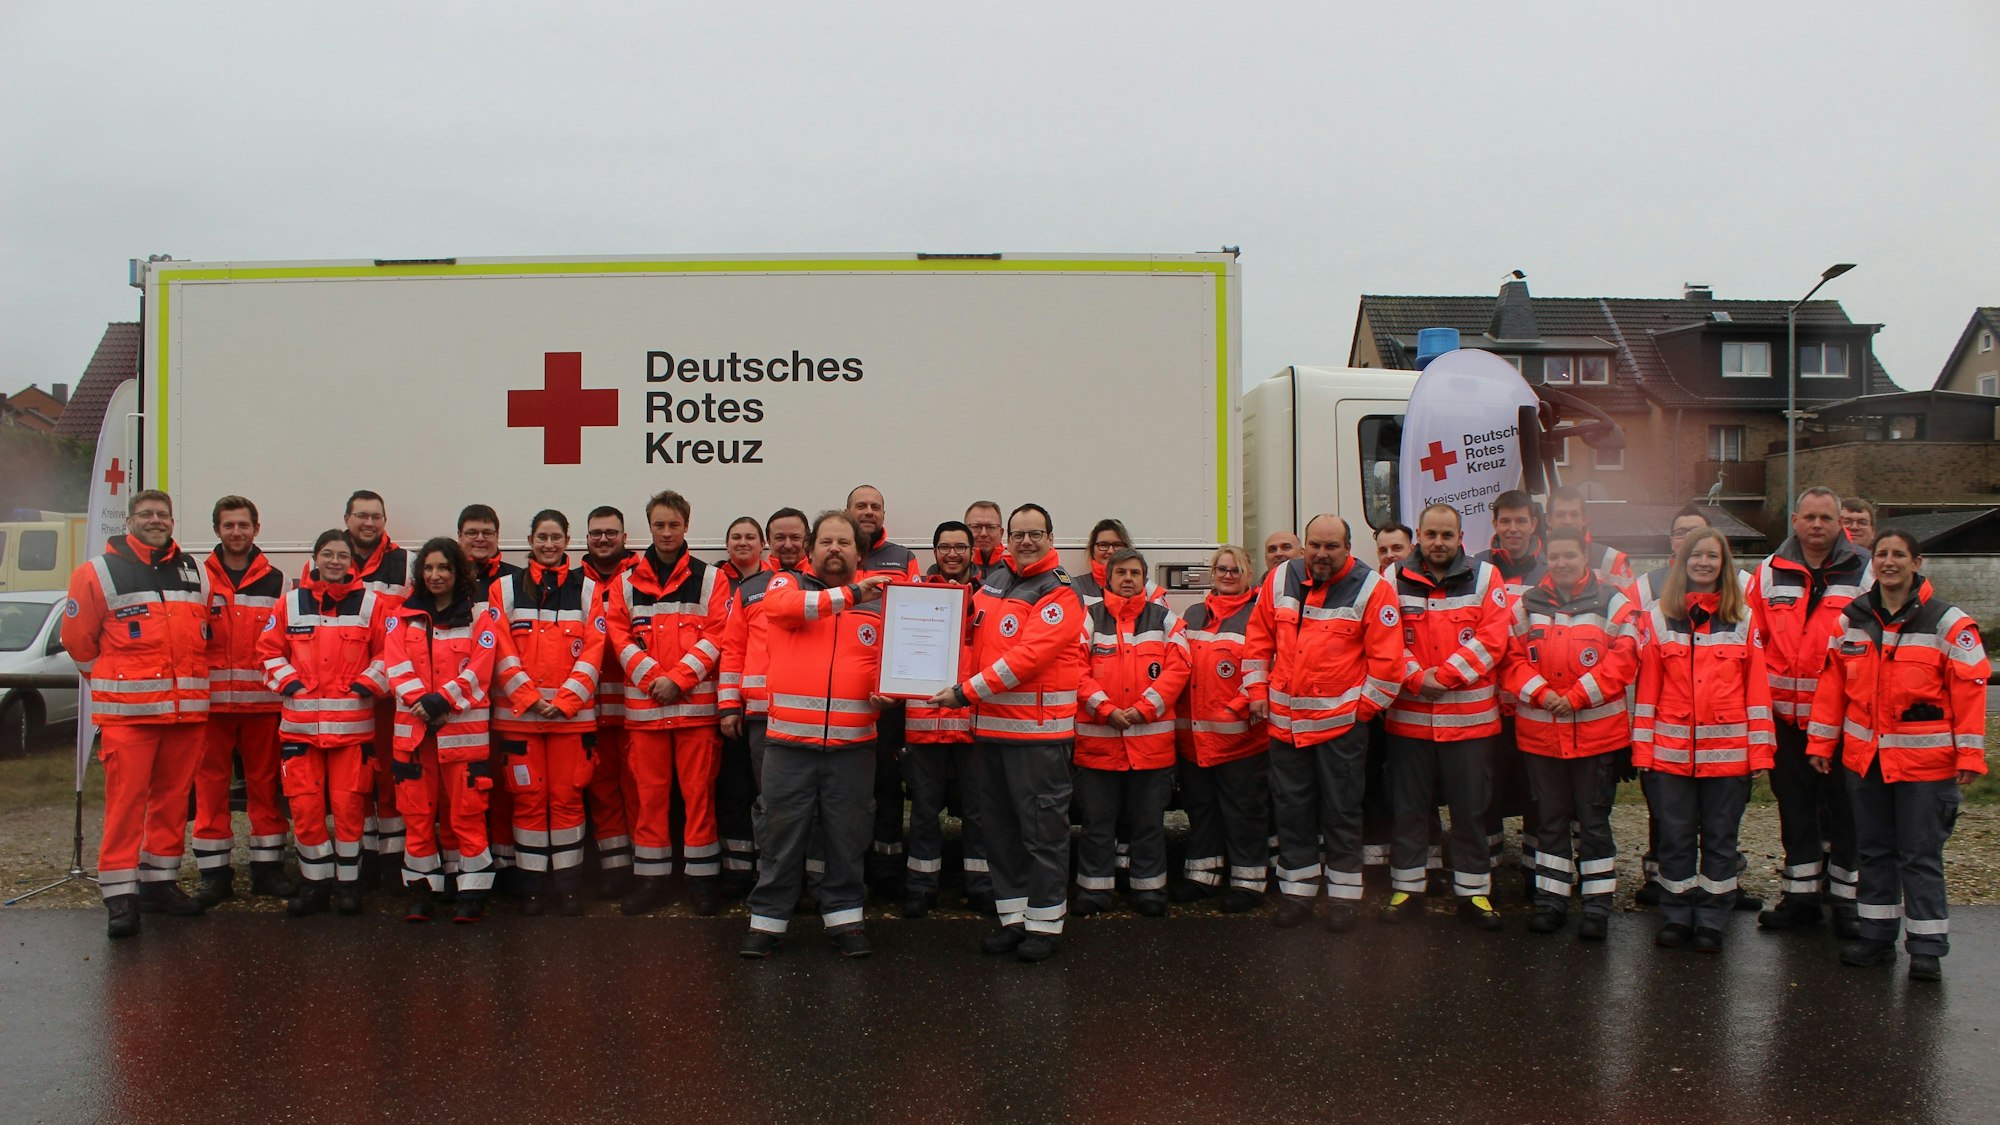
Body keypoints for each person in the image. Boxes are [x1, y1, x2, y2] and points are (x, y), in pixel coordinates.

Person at [1807, 529, 1987, 982]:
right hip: (1865, 763)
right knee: (1874, 852)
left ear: (1916, 563)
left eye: (1898, 555)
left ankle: (1926, 948)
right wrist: (1821, 745)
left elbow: (1969, 692)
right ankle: (1876, 937)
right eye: (1882, 553)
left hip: (1925, 768)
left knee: (1920, 856)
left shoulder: (1948, 623)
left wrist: (1969, 755)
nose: (1889, 561)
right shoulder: (1852, 620)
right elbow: (1832, 688)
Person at [927, 502, 1085, 963]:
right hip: (992, 734)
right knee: (999, 833)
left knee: (1041, 833)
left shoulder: (1059, 593)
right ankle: (1013, 918)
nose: (1026, 541)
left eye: (1036, 534)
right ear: (1005, 539)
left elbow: (1027, 659)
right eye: (1018, 534)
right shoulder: (994, 580)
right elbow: (967, 639)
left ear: (1051, 538)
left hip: (1037, 737)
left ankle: (1045, 923)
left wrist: (964, 692)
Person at [62, 489, 213, 938]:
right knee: (126, 805)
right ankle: (120, 897)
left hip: (186, 715)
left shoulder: (194, 571)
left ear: (171, 521)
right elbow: (78, 642)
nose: (155, 520)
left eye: (162, 514)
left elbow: (205, 633)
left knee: (171, 804)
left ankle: (159, 885)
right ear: (129, 521)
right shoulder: (97, 573)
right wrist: (115, 682)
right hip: (129, 717)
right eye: (146, 513)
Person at [739, 511, 889, 959]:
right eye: (826, 541)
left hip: (853, 747)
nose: (834, 550)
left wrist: (892, 692)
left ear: (859, 553)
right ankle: (767, 921)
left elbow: (892, 661)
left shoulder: (882, 603)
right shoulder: (786, 585)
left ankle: (845, 919)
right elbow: (782, 612)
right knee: (779, 835)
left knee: (848, 834)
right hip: (788, 745)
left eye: (845, 543)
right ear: (810, 549)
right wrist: (850, 594)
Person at [1244, 515, 1403, 931]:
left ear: (1348, 548)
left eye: (1331, 547)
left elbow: (1387, 665)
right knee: (1292, 810)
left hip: (1340, 728)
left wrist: (1360, 713)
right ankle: (1297, 894)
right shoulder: (1280, 580)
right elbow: (1258, 641)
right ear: (1304, 545)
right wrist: (1257, 694)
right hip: (1286, 725)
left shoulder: (1372, 588)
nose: (1321, 554)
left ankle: (1344, 898)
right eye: (1314, 545)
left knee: (1342, 812)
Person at [1632, 527, 1774, 953]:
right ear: (1683, 562)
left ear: (1724, 565)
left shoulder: (1744, 619)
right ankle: (1676, 914)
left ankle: (1712, 918)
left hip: (1729, 759)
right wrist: (1643, 750)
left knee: (1720, 838)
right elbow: (1647, 693)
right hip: (1670, 756)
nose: (1704, 563)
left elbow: (1757, 692)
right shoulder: (1658, 617)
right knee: (1674, 837)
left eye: (1713, 556)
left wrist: (1761, 751)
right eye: (1697, 555)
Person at [1499, 526, 1642, 941]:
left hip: (1597, 738)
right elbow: (1509, 660)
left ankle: (1596, 907)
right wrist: (1543, 695)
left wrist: (1577, 696)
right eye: (1556, 557)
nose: (1562, 564)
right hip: (1541, 736)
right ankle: (1551, 901)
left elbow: (1624, 661)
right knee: (1550, 821)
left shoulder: (1614, 603)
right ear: (1548, 557)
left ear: (1585, 559)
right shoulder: (1528, 604)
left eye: (1571, 557)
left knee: (1594, 822)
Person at [1380, 503, 1511, 930]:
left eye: (1447, 535)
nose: (1439, 543)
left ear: (1460, 539)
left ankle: (1474, 894)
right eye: (1431, 535)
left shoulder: (1486, 576)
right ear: (1418, 535)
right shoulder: (1391, 578)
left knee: (1470, 812)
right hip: (1410, 721)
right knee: (1410, 809)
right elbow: (1383, 637)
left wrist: (1448, 675)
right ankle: (1407, 889)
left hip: (1469, 723)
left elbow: (1494, 638)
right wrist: (1417, 677)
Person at [1749, 486, 1869, 937]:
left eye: (1827, 518)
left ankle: (1847, 902)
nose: (1817, 526)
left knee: (1846, 809)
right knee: (1795, 809)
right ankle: (1800, 899)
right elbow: (1753, 641)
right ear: (1794, 520)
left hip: (1843, 719)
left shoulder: (1867, 572)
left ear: (1841, 523)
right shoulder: (1767, 573)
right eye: (1810, 518)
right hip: (1786, 719)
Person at [606, 490, 732, 915]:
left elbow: (717, 635)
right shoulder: (625, 582)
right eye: (658, 525)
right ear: (649, 526)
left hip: (695, 713)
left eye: (673, 525)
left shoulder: (712, 578)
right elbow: (618, 637)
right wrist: (653, 679)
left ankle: (701, 882)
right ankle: (652, 881)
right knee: (649, 799)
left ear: (686, 526)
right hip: (645, 713)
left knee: (699, 798)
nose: (665, 533)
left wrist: (677, 680)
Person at [258, 529, 393, 916]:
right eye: (328, 554)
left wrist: (367, 684)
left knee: (350, 807)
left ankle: (350, 885)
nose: (335, 561)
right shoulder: (290, 604)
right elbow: (267, 652)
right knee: (305, 809)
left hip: (352, 733)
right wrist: (292, 683)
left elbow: (389, 654)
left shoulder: (372, 604)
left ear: (352, 561)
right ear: (315, 558)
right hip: (301, 731)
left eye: (342, 555)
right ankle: (315, 883)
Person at [489, 510, 610, 916]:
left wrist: (565, 701)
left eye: (556, 537)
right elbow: (500, 651)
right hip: (519, 719)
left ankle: (568, 887)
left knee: (567, 799)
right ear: (530, 539)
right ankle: (533, 887)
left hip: (569, 722)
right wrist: (528, 696)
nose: (549, 545)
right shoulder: (504, 589)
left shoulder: (588, 590)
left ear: (567, 541)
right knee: (527, 800)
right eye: (542, 537)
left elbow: (594, 650)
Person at [384, 538, 501, 923]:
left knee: (466, 815)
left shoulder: (479, 617)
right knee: (417, 815)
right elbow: (395, 665)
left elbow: (480, 670)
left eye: (444, 568)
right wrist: (423, 701)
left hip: (461, 738)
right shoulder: (403, 617)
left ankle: (472, 892)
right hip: (415, 737)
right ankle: (422, 891)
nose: (436, 576)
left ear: (458, 573)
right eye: (429, 568)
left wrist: (442, 701)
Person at [1072, 547, 1189, 918]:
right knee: (1097, 824)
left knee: (1148, 824)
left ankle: (1150, 890)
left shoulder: (1168, 620)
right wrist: (1103, 709)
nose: (1127, 579)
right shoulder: (1088, 619)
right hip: (1098, 746)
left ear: (1144, 578)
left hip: (1150, 746)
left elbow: (1179, 669)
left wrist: (1144, 708)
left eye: (1134, 573)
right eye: (1120, 572)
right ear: (1107, 577)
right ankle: (1093, 891)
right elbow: (1074, 668)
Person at [192, 495, 294, 905]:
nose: (237, 532)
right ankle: (214, 876)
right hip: (212, 707)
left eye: (244, 525)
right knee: (210, 791)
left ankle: (267, 871)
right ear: (217, 529)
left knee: (265, 790)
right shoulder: (199, 580)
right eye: (229, 525)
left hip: (263, 707)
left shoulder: (279, 582)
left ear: (257, 528)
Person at [718, 507, 813, 890]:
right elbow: (732, 650)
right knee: (770, 804)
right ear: (768, 542)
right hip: (762, 717)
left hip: (814, 717)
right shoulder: (751, 588)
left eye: (795, 537)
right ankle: (774, 879)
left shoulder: (822, 583)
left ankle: (812, 879)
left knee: (811, 806)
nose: (787, 544)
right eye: (780, 537)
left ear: (806, 540)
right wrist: (728, 706)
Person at [1173, 545, 1269, 912]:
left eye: (1236, 570)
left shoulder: (1258, 615)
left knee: (1243, 811)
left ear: (1247, 574)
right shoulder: (1194, 613)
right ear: (1212, 573)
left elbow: (1267, 667)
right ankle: (1202, 876)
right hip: (1195, 740)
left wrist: (1237, 709)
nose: (1228, 576)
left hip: (1239, 738)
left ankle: (1248, 883)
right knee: (1201, 810)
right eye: (1221, 569)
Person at [901, 520, 988, 918]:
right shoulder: (915, 597)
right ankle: (921, 887)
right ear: (934, 553)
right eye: (944, 547)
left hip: (973, 726)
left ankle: (982, 885)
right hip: (924, 725)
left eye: (960, 547)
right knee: (923, 813)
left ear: (973, 551)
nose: (952, 554)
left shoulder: (991, 598)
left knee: (979, 811)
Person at [846, 484, 921, 899]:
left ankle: (887, 869)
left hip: (887, 695)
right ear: (848, 510)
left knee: (887, 784)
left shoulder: (902, 558)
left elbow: (910, 624)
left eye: (875, 506)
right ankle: (849, 870)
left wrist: (894, 683)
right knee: (846, 787)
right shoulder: (833, 552)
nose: (868, 511)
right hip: (841, 692)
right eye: (861, 505)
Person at [1476, 489, 1549, 894]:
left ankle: (1535, 870)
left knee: (1536, 791)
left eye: (1521, 521)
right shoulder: (1479, 571)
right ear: (1495, 525)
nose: (1513, 529)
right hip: (1488, 704)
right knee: (1487, 789)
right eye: (1506, 521)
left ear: (1534, 524)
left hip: (1531, 704)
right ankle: (1486, 869)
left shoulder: (1548, 572)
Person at [342, 490, 410, 880]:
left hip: (387, 695)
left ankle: (391, 857)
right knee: (353, 780)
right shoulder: (328, 558)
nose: (369, 523)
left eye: (376, 516)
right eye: (361, 515)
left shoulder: (406, 565)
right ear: (347, 518)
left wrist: (379, 678)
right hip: (341, 696)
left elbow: (411, 629)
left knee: (390, 771)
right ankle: (361, 855)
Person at [580, 506, 641, 898]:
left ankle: (644, 867)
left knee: (638, 790)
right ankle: (615, 869)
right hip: (590, 710)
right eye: (596, 533)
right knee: (601, 792)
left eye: (611, 533)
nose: (604, 539)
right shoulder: (574, 582)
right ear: (586, 539)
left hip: (636, 707)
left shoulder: (642, 578)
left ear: (624, 537)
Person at [714, 514, 771, 897]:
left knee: (767, 796)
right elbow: (729, 649)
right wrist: (727, 705)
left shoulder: (776, 583)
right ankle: (737, 872)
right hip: (736, 708)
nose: (743, 542)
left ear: (762, 544)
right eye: (736, 536)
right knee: (734, 791)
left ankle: (769, 870)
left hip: (769, 710)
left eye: (751, 536)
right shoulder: (716, 582)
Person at [1546, 486, 1634, 588]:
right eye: (1560, 515)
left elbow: (1629, 601)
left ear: (1584, 519)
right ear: (1548, 520)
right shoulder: (1533, 560)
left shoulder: (1612, 560)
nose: (1567, 521)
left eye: (1574, 515)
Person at [1072, 518, 1167, 609]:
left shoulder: (1150, 590)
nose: (1110, 551)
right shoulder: (1075, 587)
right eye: (1103, 545)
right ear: (1092, 550)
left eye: (1117, 545)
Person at [458, 503, 523, 588]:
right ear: (459, 536)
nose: (480, 538)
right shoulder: (446, 577)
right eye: (472, 533)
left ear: (497, 536)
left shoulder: (519, 579)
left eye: (487, 533)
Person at [965, 500, 1011, 580]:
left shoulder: (1015, 567)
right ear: (965, 532)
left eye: (991, 527)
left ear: (1001, 533)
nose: (983, 533)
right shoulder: (955, 566)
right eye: (976, 527)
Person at [722, 515, 766, 584]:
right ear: (727, 545)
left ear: (762, 544)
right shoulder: (713, 578)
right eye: (736, 537)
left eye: (750, 537)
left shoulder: (776, 579)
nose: (742, 543)